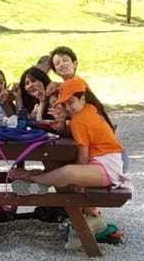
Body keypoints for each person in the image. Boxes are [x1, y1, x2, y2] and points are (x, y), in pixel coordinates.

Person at [10, 78, 126, 244]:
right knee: (60, 167)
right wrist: (64, 122)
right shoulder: (89, 109)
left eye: (71, 102)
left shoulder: (80, 119)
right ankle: (86, 214)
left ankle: (33, 177)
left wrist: (78, 179)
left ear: (82, 99)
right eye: (65, 104)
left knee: (68, 173)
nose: (68, 107)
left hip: (107, 167)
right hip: (107, 162)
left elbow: (83, 156)